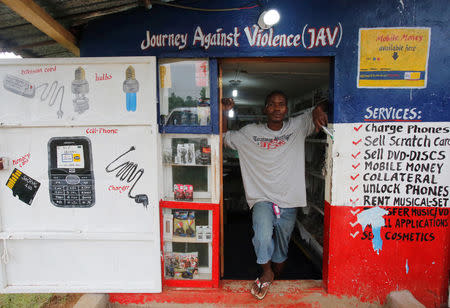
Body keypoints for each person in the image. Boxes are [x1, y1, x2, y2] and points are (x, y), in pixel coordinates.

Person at [222, 90, 328, 300]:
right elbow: (224, 137)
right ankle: (266, 271)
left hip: (289, 199)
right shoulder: (250, 132)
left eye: (281, 103)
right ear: (265, 109)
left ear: (286, 109)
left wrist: (318, 108)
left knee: (281, 250)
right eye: (272, 104)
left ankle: (274, 274)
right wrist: (223, 112)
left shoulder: (298, 126)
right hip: (262, 198)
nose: (277, 107)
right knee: (261, 237)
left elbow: (330, 100)